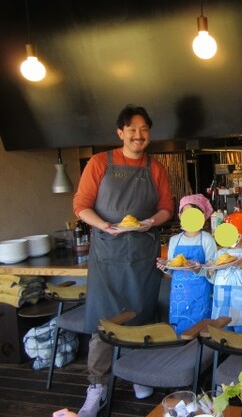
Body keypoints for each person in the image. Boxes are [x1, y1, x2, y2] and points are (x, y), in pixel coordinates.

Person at [72, 105, 174, 416]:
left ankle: (137, 374)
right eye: (132, 129)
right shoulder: (99, 162)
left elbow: (167, 207)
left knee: (141, 315)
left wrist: (151, 222)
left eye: (144, 129)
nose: (138, 135)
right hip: (108, 253)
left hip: (143, 252)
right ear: (121, 133)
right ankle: (97, 387)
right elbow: (80, 205)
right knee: (104, 321)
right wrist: (104, 225)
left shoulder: (155, 168)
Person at [164, 194, 217, 334]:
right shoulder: (174, 240)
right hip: (178, 296)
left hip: (201, 293)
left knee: (202, 331)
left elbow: (212, 272)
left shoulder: (207, 240)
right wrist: (165, 267)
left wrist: (199, 269)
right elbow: (171, 269)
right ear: (180, 216)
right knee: (180, 331)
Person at [206, 211, 242, 332]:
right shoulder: (219, 253)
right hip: (221, 310)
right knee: (222, 339)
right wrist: (211, 272)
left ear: (240, 234)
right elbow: (213, 280)